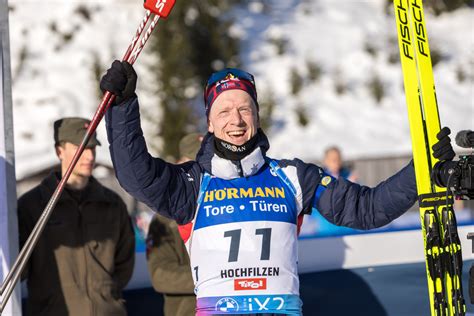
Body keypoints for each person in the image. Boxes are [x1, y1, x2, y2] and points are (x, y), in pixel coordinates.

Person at [100, 62, 452, 315]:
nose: (235, 121)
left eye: (244, 109)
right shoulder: (192, 184)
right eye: (223, 111)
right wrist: (123, 107)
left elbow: (367, 209)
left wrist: (421, 170)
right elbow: (136, 176)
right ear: (209, 122)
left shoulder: (293, 177)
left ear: (256, 114)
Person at [17, 117, 135, 316]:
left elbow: (125, 262)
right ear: (59, 151)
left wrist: (105, 295)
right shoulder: (32, 206)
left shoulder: (112, 204)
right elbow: (18, 269)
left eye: (92, 149)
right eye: (80, 148)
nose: (89, 157)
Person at [146, 133, 202, 316]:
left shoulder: (229, 208)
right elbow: (161, 276)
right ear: (180, 164)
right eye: (193, 164)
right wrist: (214, 275)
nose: (201, 172)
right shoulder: (164, 219)